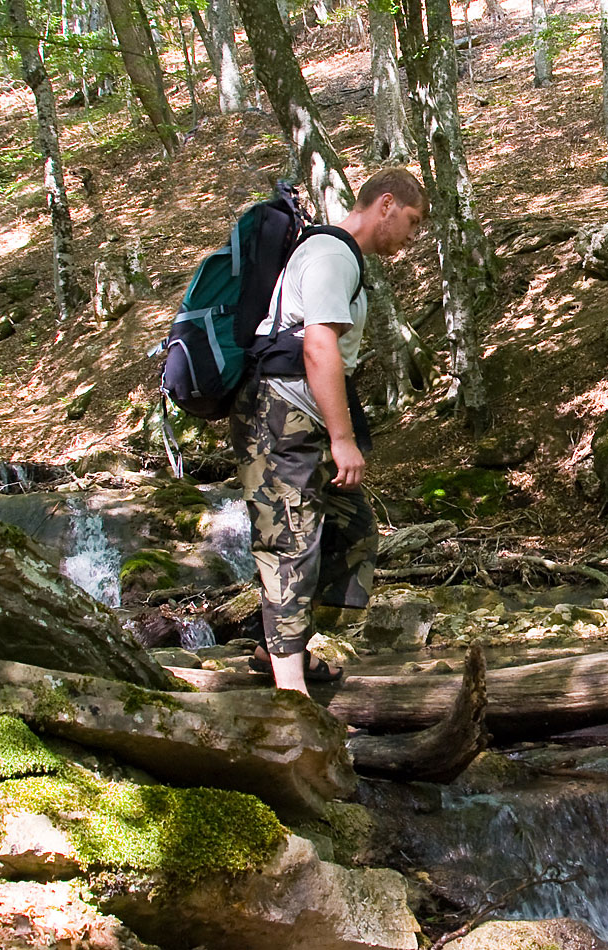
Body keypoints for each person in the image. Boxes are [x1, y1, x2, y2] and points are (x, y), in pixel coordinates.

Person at [233, 168, 427, 695]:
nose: (412, 237)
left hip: (305, 422)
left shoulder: (346, 260)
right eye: (410, 222)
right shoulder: (331, 255)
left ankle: (270, 648)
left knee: (352, 532)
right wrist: (343, 440)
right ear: (384, 204)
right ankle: (290, 692)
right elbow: (318, 346)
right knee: (290, 545)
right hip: (281, 418)